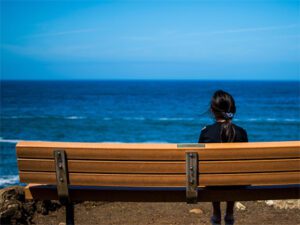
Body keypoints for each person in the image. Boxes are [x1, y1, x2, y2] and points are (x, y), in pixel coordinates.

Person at [198, 90, 248, 225]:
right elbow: (243, 164)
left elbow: (200, 162)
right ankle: (230, 214)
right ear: (233, 110)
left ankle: (216, 213)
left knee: (213, 172)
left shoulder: (206, 132)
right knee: (233, 172)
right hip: (236, 184)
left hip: (213, 183)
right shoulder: (241, 132)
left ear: (212, 110)